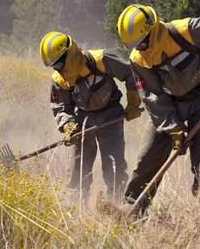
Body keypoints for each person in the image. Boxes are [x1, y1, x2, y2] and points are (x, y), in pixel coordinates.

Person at [117, 4, 200, 214]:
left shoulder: (184, 31)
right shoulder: (139, 59)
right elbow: (153, 96)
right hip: (169, 105)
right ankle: (133, 209)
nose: (139, 48)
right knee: (148, 158)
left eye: (141, 42)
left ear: (153, 30)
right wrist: (173, 129)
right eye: (134, 45)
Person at [40, 31, 140, 202]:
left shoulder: (101, 59)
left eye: (59, 64)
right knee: (78, 168)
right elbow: (60, 107)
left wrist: (133, 104)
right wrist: (68, 125)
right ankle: (74, 209)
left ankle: (115, 205)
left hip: (110, 115)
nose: (57, 69)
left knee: (113, 165)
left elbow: (131, 74)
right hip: (82, 121)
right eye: (54, 66)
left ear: (69, 54)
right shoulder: (59, 79)